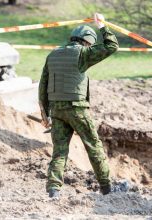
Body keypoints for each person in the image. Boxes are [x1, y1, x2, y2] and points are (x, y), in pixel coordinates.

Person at [38, 13, 119, 198]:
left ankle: (53, 190)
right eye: (90, 44)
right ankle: (107, 188)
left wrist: (45, 115)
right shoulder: (83, 53)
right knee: (94, 147)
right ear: (87, 42)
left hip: (57, 110)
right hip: (77, 108)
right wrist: (102, 26)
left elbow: (42, 86)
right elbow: (112, 46)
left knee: (59, 152)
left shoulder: (53, 54)